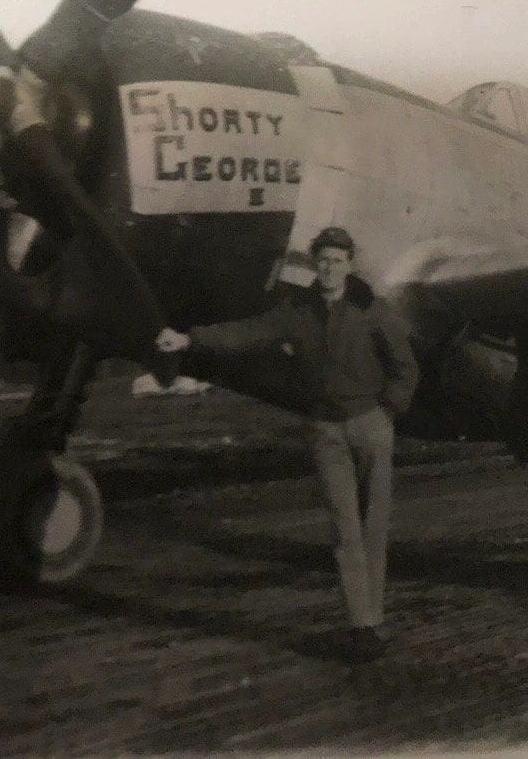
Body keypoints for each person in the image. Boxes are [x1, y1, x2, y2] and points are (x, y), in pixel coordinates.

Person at [156, 226, 419, 662]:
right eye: (323, 260)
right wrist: (189, 338)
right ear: (314, 264)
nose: (330, 268)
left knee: (373, 526)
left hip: (371, 423)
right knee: (343, 527)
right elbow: (247, 332)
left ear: (350, 264)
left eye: (337, 260)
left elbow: (405, 366)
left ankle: (372, 616)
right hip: (326, 431)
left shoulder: (372, 310)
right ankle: (363, 626)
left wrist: (388, 411)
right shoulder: (296, 311)